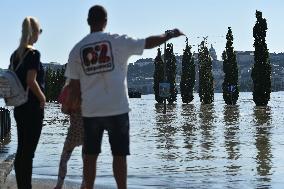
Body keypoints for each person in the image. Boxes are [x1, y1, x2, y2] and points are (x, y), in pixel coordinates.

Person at [64, 5, 184, 189]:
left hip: (91, 111)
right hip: (117, 108)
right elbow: (147, 42)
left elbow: (73, 87)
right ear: (106, 22)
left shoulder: (76, 50)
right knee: (119, 156)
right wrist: (168, 35)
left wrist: (70, 107)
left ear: (88, 21)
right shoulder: (117, 41)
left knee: (90, 158)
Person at [10, 16, 46, 189]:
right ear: (34, 33)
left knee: (21, 150)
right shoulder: (33, 54)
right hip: (32, 108)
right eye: (39, 31)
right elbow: (31, 80)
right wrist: (43, 98)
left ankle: (22, 185)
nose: (40, 34)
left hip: (19, 107)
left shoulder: (15, 55)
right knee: (28, 152)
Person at [54, 81, 85, 189]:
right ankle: (84, 185)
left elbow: (64, 110)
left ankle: (59, 184)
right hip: (88, 131)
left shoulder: (69, 89)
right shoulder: (89, 87)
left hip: (74, 131)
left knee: (64, 159)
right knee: (87, 160)